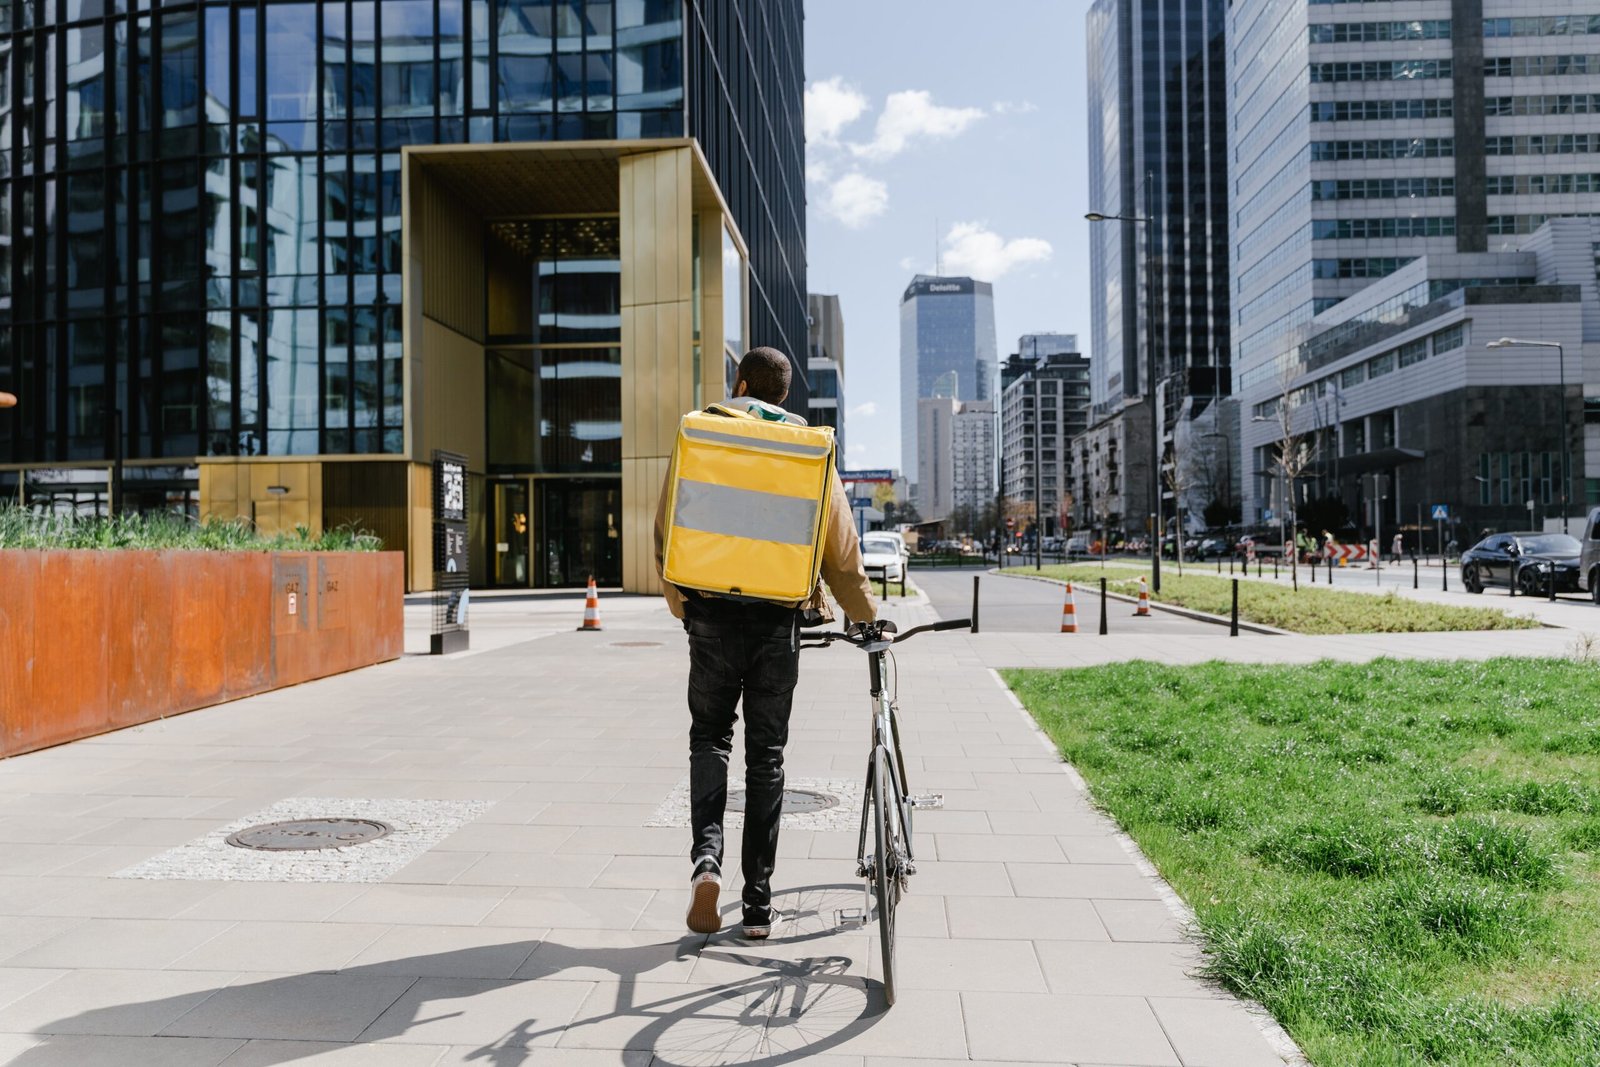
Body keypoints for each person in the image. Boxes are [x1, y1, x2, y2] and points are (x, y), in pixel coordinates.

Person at [654, 347, 878, 940]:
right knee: (767, 758)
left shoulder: (702, 434)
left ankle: (707, 860)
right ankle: (757, 904)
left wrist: (685, 609)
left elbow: (667, 531)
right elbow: (839, 550)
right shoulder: (806, 449)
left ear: (740, 383)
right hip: (778, 622)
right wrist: (863, 615)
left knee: (710, 738)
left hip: (711, 615)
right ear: (782, 396)